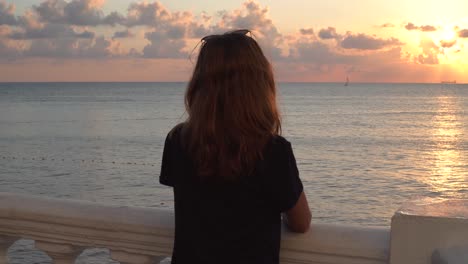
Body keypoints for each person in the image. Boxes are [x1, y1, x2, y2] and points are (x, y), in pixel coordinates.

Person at [160, 29, 311, 264]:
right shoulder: (272, 150)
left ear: (200, 83)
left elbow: (194, 206)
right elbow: (301, 223)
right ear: (259, 84)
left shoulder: (178, 141)